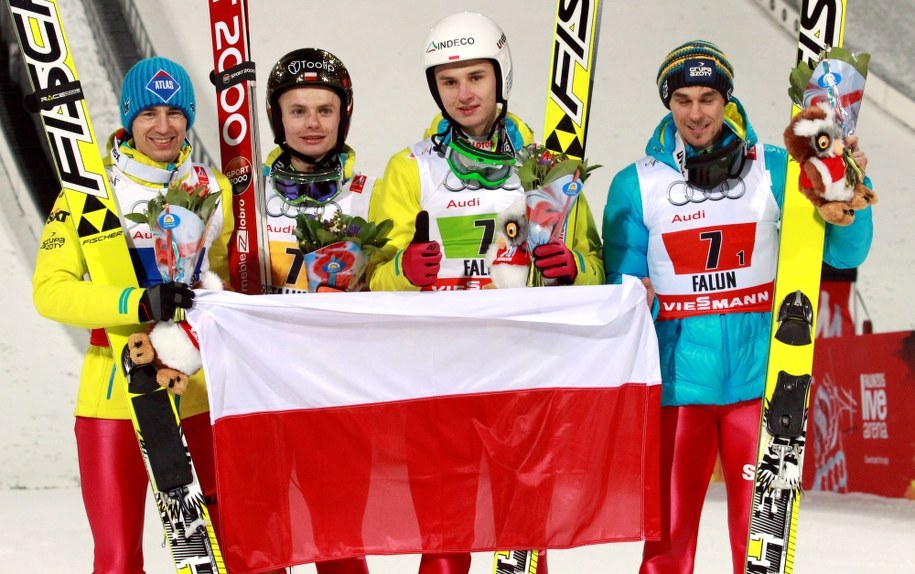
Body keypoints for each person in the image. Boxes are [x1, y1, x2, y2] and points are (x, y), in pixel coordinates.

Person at [601, 40, 874, 574]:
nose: (696, 113)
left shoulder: (776, 166)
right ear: (668, 103)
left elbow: (845, 250)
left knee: (760, 550)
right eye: (683, 99)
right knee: (667, 548)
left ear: (728, 100)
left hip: (762, 386)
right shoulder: (636, 185)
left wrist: (847, 182)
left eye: (708, 97)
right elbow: (621, 290)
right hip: (679, 388)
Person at [367, 11, 603, 574]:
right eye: (449, 81)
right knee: (443, 540)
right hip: (437, 373)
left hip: (522, 372)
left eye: (476, 76)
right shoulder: (409, 169)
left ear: (501, 77)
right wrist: (404, 267)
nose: (464, 93)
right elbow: (371, 278)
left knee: (522, 538)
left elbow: (595, 263)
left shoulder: (547, 166)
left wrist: (571, 268)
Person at [32, 57, 234, 573]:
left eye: (175, 112)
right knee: (118, 558)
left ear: (189, 117)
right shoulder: (90, 191)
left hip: (194, 394)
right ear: (128, 117)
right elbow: (50, 292)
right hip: (112, 397)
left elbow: (222, 283)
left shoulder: (214, 190)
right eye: (148, 113)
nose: (162, 127)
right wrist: (136, 303)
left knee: (212, 551)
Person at [258, 47, 373, 573]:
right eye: (297, 110)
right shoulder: (242, 199)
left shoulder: (366, 195)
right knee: (263, 542)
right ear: (276, 117)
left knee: (340, 543)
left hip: (337, 390)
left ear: (344, 114)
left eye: (325, 110)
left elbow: (390, 290)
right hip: (259, 389)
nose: (311, 123)